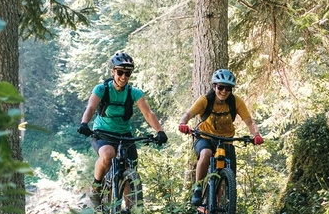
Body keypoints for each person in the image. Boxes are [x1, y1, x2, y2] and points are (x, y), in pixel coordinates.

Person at [78, 52, 168, 206]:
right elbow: (91, 107)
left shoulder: (134, 93)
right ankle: (97, 187)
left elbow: (148, 113)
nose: (123, 77)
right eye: (120, 72)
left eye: (127, 73)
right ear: (113, 72)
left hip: (125, 135)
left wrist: (160, 131)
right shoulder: (102, 89)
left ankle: (130, 213)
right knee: (108, 154)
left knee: (129, 168)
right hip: (103, 133)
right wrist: (84, 123)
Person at [177, 69, 263, 206]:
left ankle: (223, 203)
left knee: (230, 174)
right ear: (214, 86)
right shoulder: (205, 100)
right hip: (205, 137)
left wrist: (256, 134)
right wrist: (182, 123)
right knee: (206, 153)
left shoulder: (236, 102)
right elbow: (188, 114)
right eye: (220, 87)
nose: (224, 91)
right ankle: (198, 188)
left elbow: (249, 121)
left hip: (226, 139)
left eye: (228, 88)